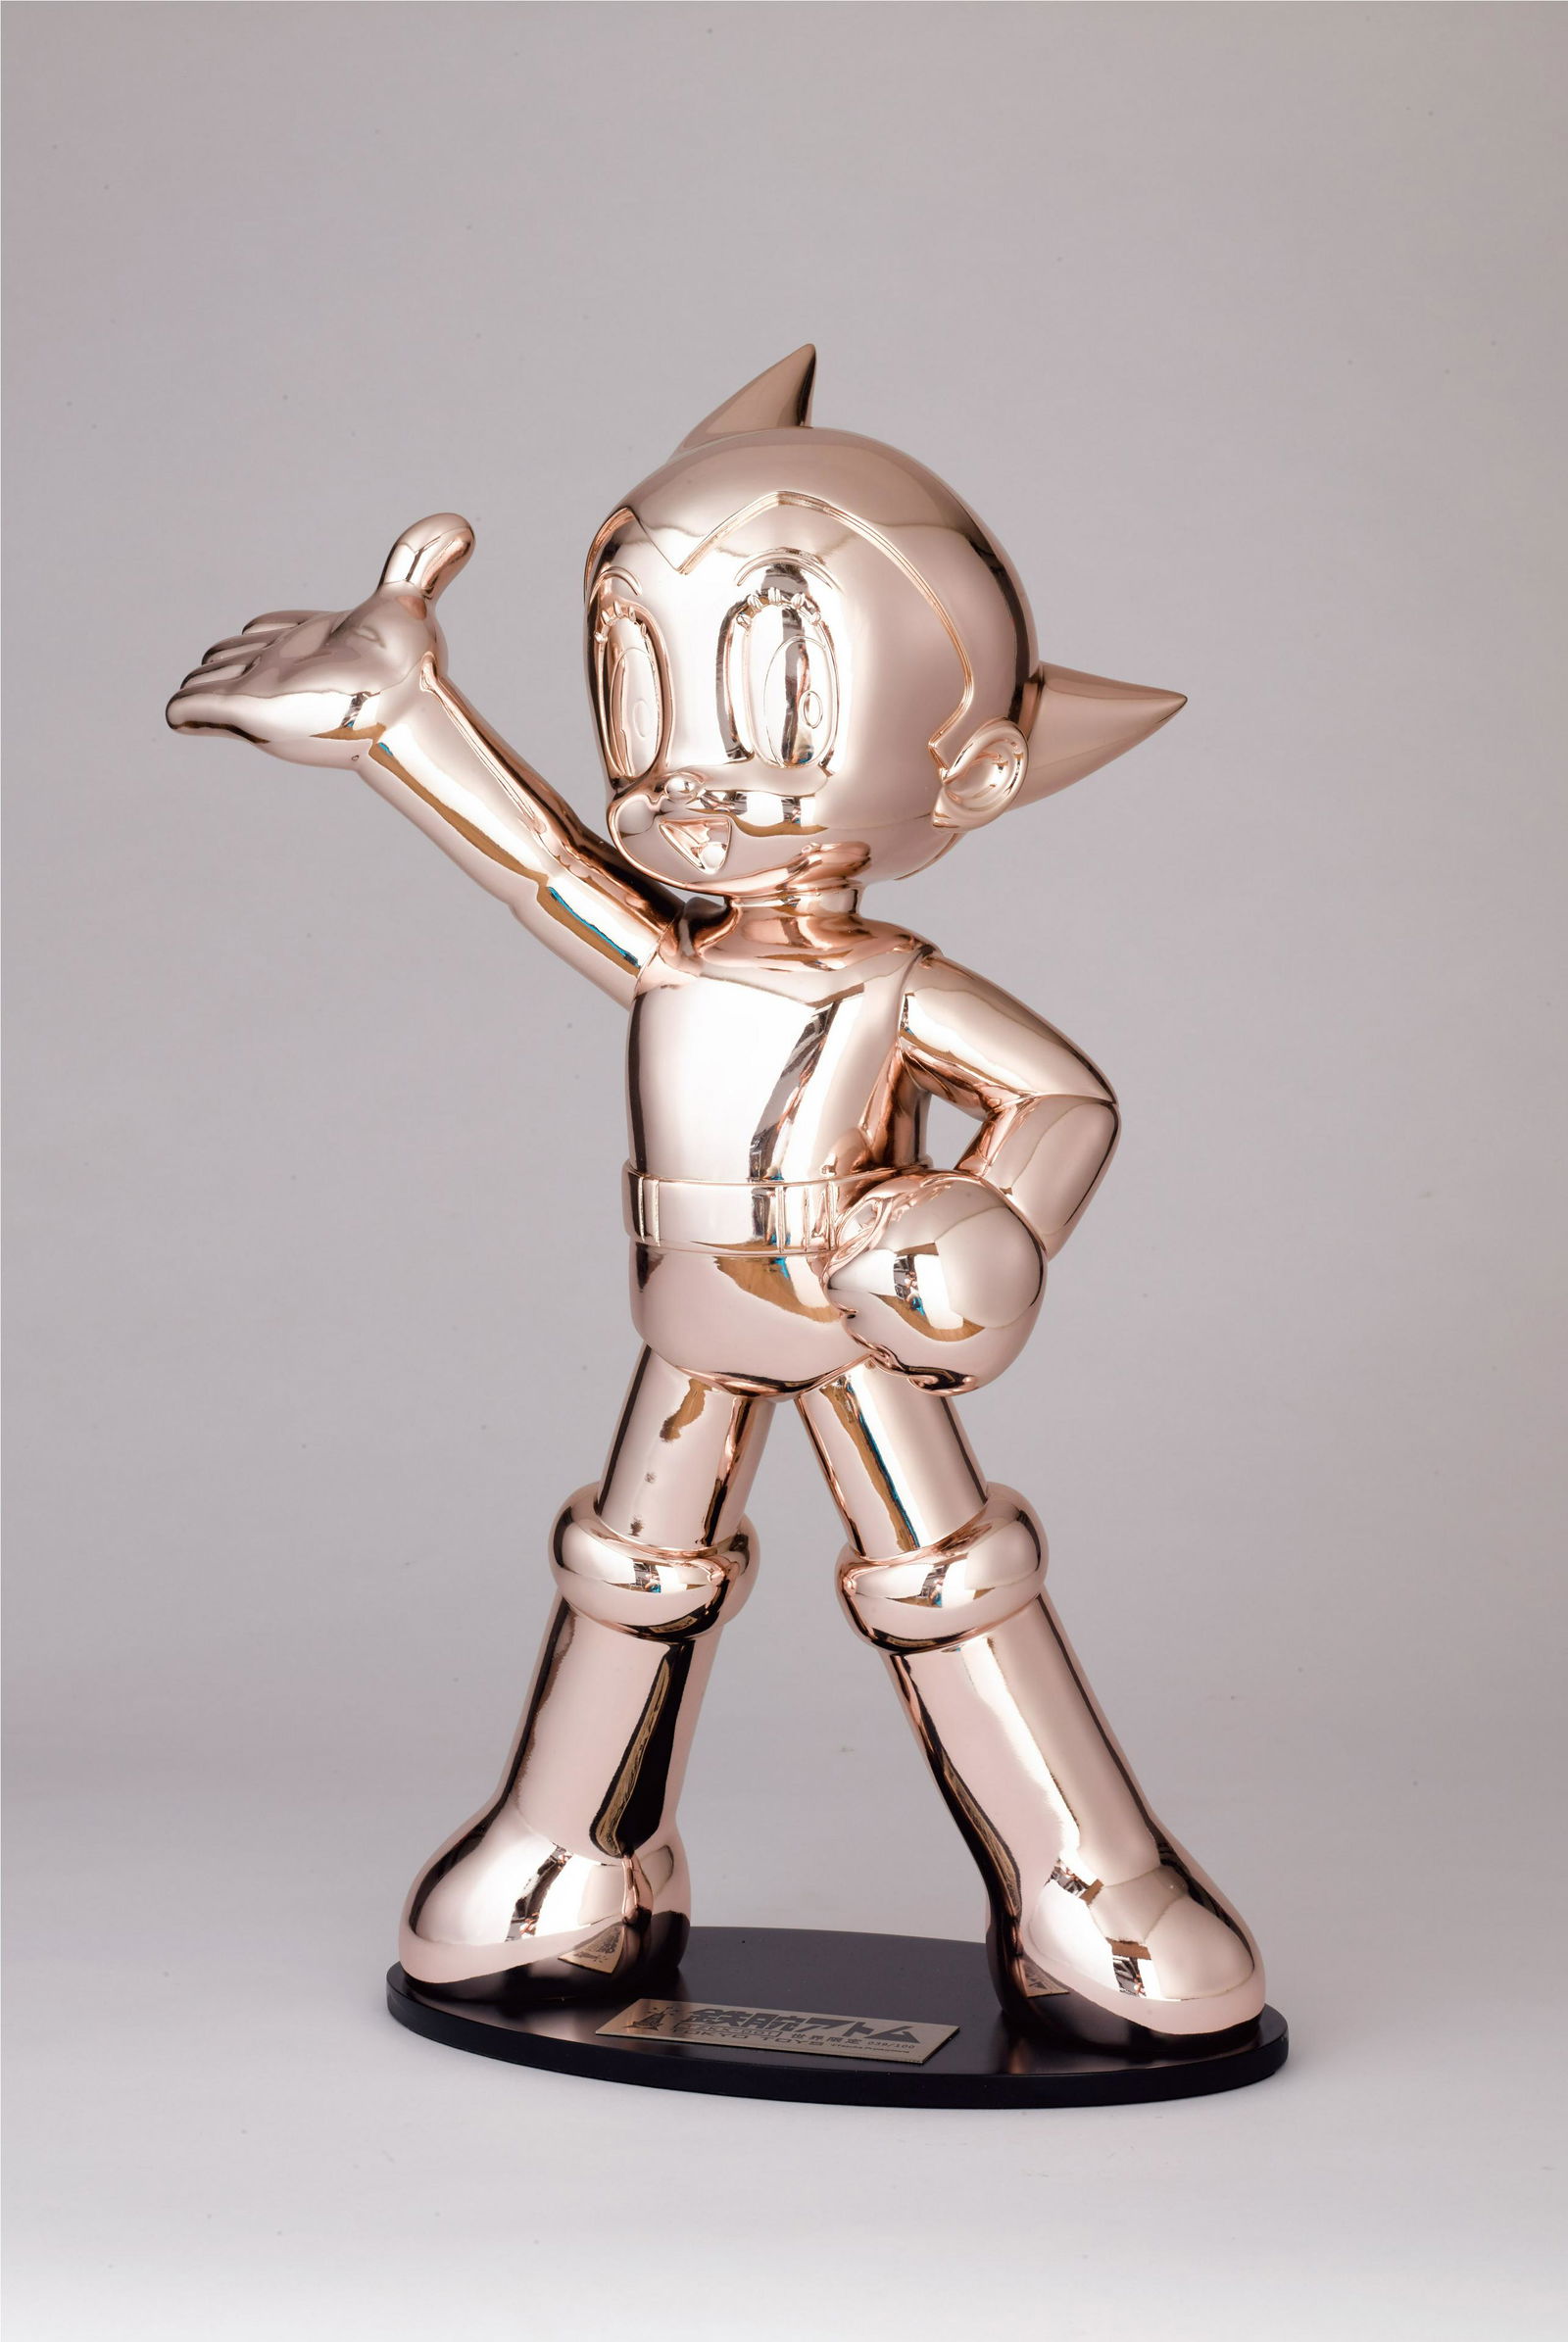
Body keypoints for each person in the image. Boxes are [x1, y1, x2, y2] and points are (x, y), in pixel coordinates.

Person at [168, 348, 1264, 2039]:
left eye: (777, 708)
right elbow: (543, 860)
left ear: (975, 771)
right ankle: (573, 1856)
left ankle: (1089, 1882)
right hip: (693, 1314)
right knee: (635, 1570)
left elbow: (1062, 1100)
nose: (683, 780)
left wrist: (980, 1229)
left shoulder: (889, 980)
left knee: (946, 1579)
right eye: (641, 691)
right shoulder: (678, 952)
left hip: (851, 1311)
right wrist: (404, 725)